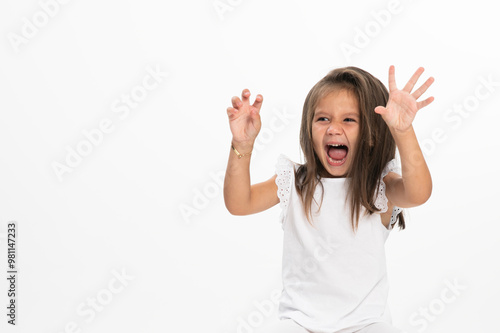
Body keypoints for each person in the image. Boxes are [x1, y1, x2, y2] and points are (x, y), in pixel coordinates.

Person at [223, 66, 434, 333]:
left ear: (371, 134)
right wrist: (242, 146)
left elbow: (419, 193)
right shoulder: (295, 181)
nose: (334, 129)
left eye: (349, 120)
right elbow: (238, 203)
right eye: (323, 119)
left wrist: (403, 132)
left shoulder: (379, 184)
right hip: (300, 322)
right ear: (309, 129)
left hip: (366, 323)